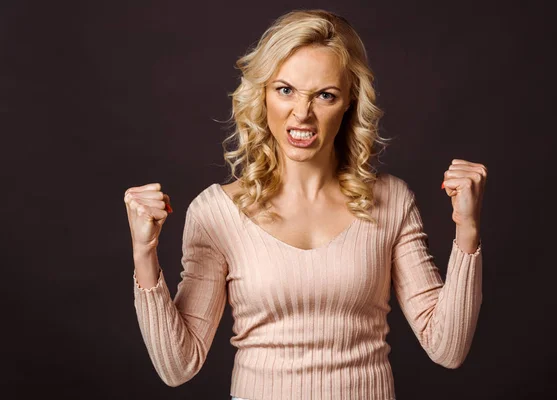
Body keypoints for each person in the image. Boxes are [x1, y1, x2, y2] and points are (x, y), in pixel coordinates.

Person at [124, 9, 486, 400]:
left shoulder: (391, 201)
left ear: (349, 102)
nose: (302, 113)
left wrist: (467, 230)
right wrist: (144, 254)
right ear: (262, 94)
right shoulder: (216, 214)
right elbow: (178, 366)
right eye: (285, 90)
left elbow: (447, 349)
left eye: (324, 95)